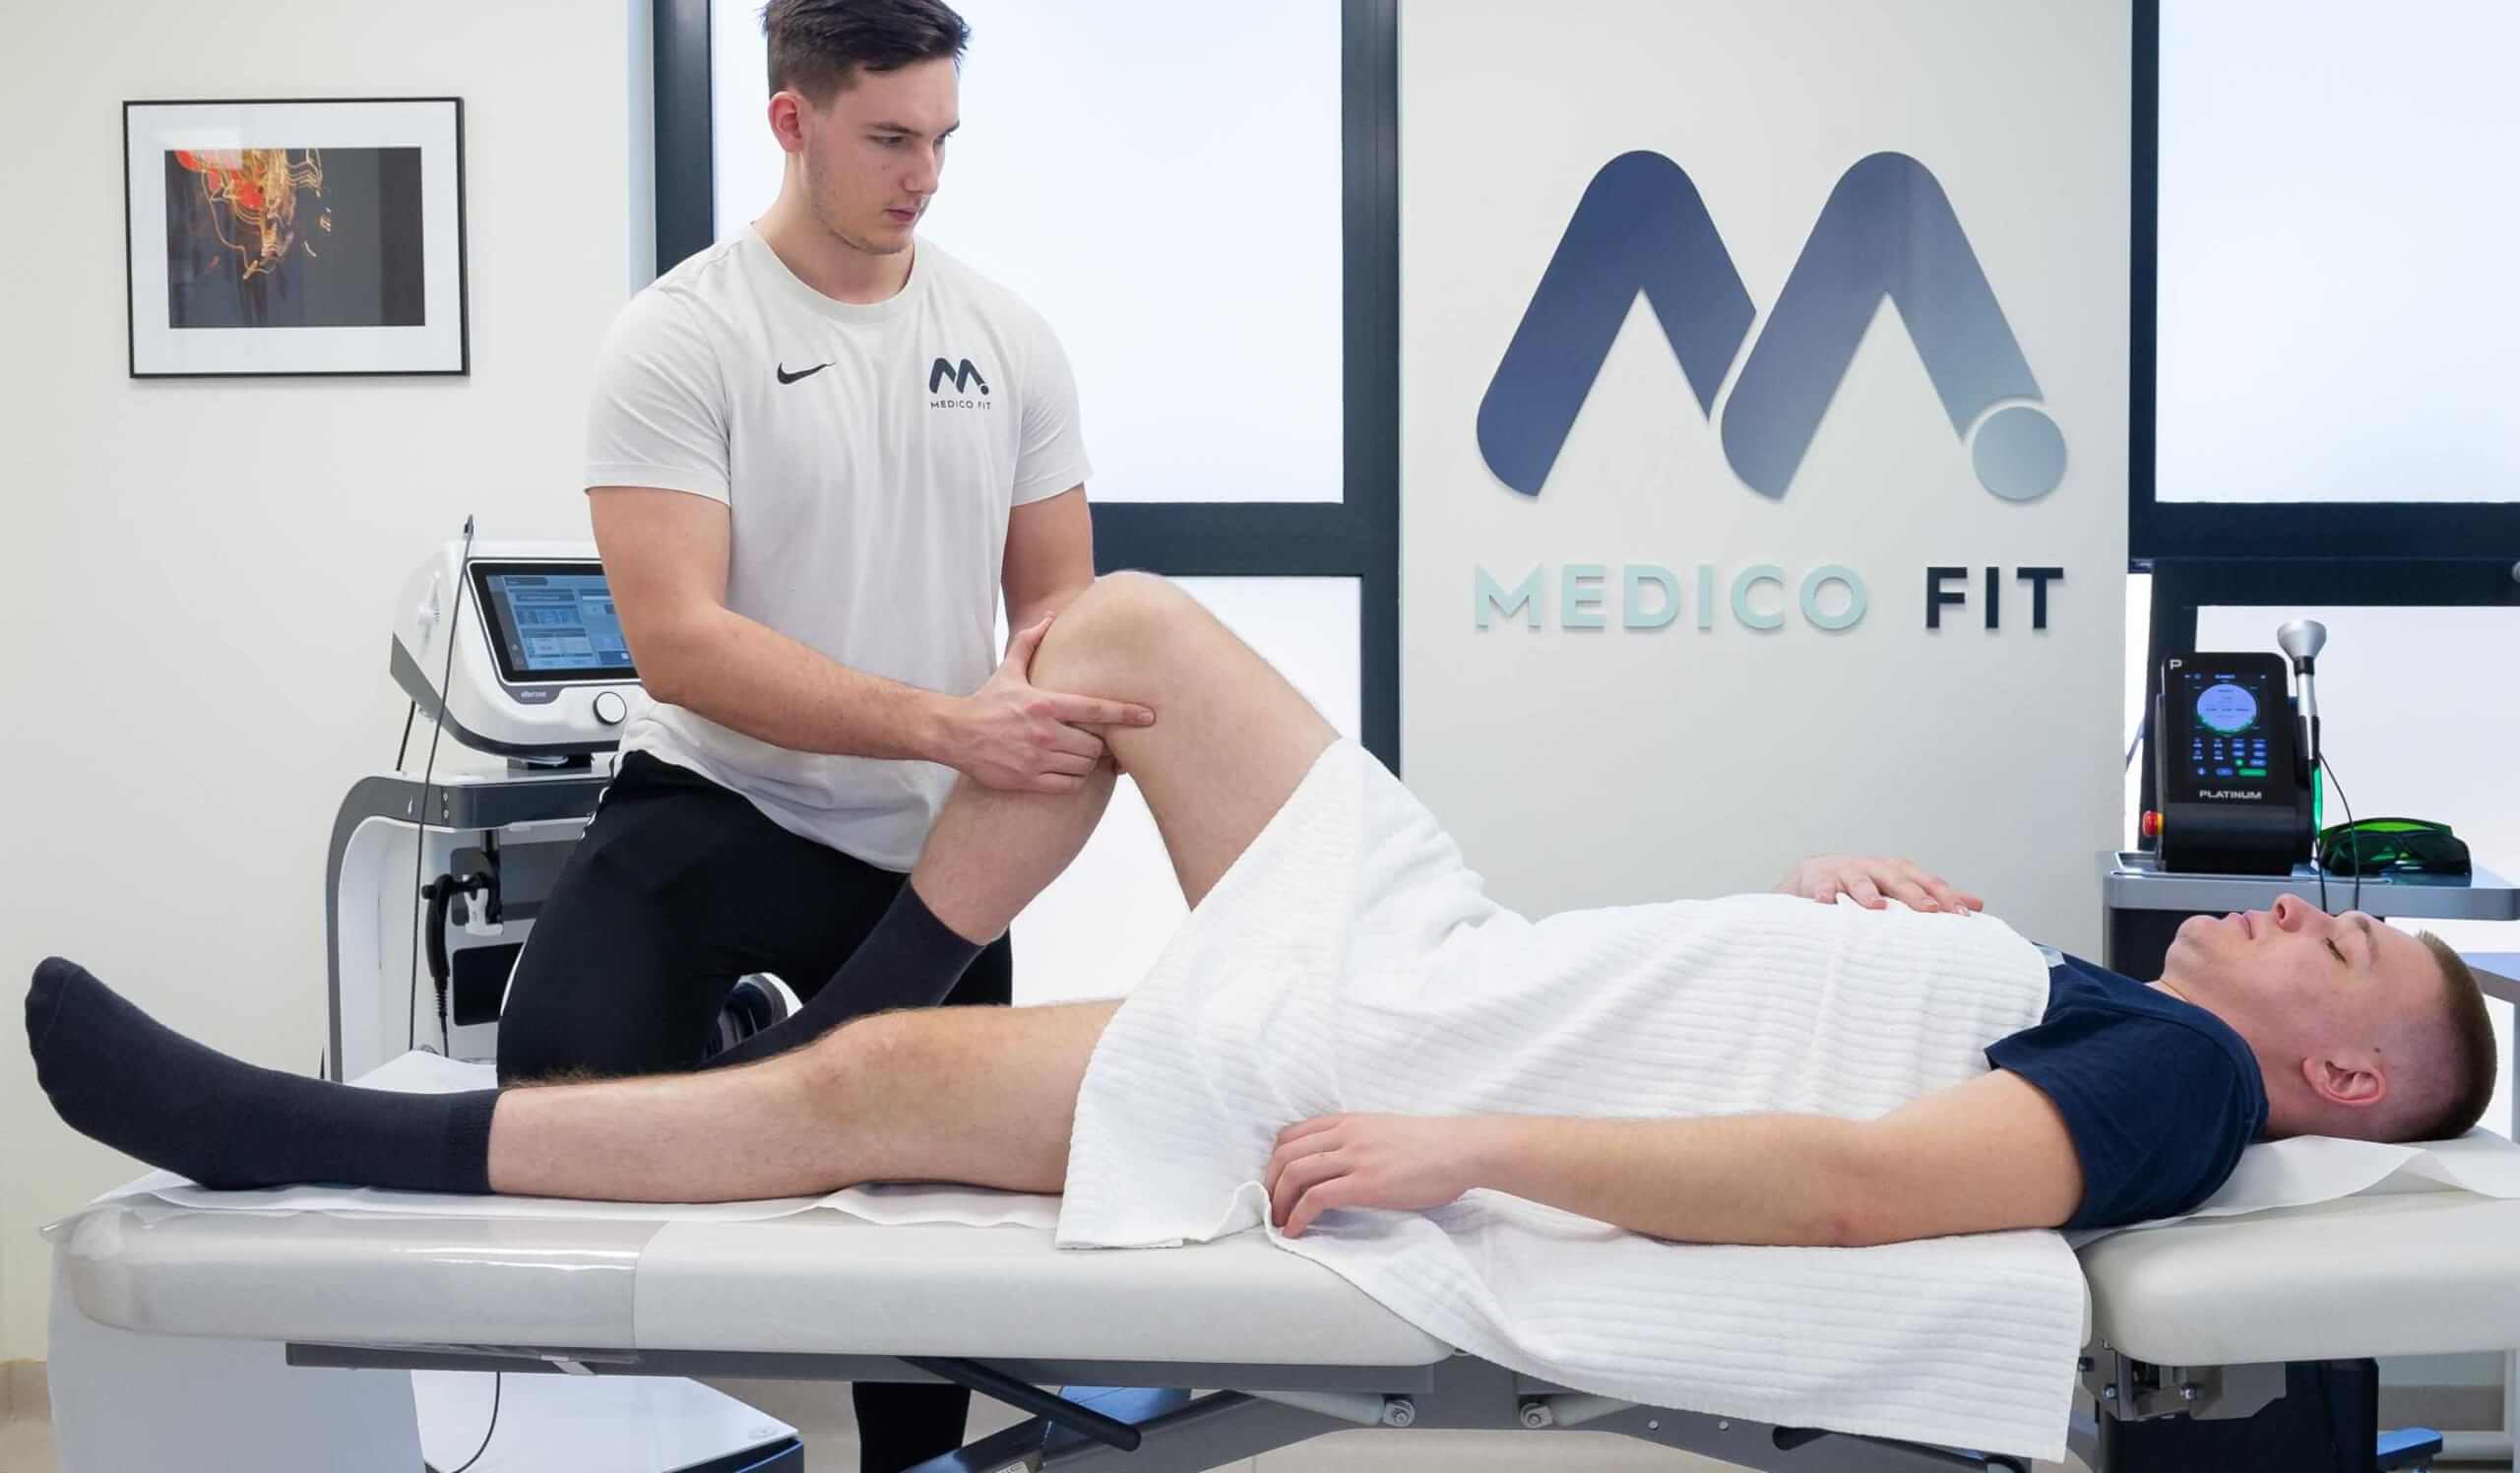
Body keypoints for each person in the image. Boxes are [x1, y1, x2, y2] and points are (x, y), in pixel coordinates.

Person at [29, 572, 2500, 1253]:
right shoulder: (2102, 1010)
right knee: (1111, 638)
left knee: (880, 1096)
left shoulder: (2175, 1089)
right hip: (1464, 952)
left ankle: (298, 1139)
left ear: (2339, 1077)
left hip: (1432, 1056)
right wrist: (1841, 938)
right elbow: (1825, 1060)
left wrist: (1465, 1149)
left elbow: (1858, 1189)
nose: (2300, 911)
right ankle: (787, 1056)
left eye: (2347, 951)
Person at [501, 0, 1149, 1468]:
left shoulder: (1007, 339)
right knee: (554, 1083)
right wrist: (943, 724)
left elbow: (1057, 607)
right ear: (792, 121)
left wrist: (1017, 714)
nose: (925, 176)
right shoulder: (681, 336)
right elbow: (679, 645)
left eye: (943, 140)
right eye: (890, 140)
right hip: (718, 799)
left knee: (930, 1246)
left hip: (922, 847)